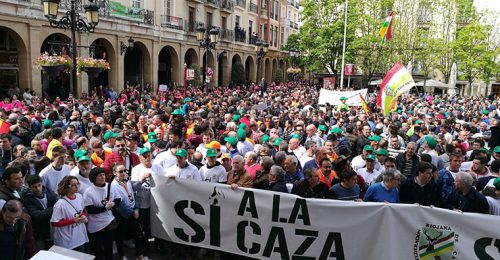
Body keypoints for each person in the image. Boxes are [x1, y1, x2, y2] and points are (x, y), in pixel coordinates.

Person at [111, 163, 148, 260]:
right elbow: (119, 204)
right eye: (120, 171)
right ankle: (122, 256)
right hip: (122, 215)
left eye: (125, 171)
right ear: (115, 173)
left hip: (132, 212)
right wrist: (133, 212)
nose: (123, 173)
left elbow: (133, 195)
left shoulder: (127, 181)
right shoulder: (113, 186)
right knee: (120, 236)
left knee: (137, 234)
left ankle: (139, 254)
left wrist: (136, 208)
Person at [84, 167, 120, 260]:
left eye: (103, 175)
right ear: (94, 178)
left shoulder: (110, 186)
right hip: (96, 225)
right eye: (99, 175)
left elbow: (118, 198)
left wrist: (113, 203)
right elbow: (90, 210)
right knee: (96, 250)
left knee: (109, 247)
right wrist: (105, 208)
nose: (103, 177)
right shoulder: (89, 192)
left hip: (109, 222)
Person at [50, 176, 88, 252]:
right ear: (66, 187)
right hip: (66, 241)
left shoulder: (79, 196)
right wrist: (74, 220)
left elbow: (82, 210)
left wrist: (83, 215)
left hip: (80, 238)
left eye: (77, 184)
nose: (76, 186)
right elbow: (54, 223)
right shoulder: (60, 204)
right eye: (73, 185)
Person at [23, 175, 58, 251]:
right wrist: (54, 207)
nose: (38, 189)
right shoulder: (28, 200)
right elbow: (38, 216)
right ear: (29, 188)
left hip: (53, 231)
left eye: (39, 185)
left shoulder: (50, 193)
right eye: (34, 187)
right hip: (40, 234)